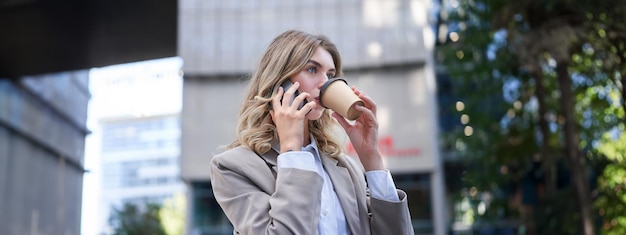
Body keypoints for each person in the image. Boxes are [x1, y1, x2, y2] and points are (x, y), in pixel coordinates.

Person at [210, 29, 415, 235]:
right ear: (281, 80)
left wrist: (372, 159)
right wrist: (292, 151)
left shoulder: (345, 168)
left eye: (331, 75)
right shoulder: (232, 167)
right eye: (311, 69)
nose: (324, 82)